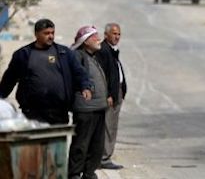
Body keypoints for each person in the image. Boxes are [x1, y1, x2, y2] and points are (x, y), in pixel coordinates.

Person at [0, 19, 92, 125]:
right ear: (36, 34)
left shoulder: (64, 53)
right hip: (33, 112)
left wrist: (85, 86)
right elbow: (9, 79)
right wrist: (1, 96)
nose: (51, 36)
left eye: (52, 33)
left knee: (58, 136)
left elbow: (79, 72)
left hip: (59, 111)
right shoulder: (23, 55)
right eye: (46, 33)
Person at [69, 26, 109, 179]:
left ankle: (89, 173)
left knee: (96, 145)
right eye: (94, 37)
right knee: (81, 143)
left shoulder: (93, 56)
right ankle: (74, 174)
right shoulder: (78, 56)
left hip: (98, 108)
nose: (98, 39)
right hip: (85, 109)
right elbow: (76, 77)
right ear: (85, 41)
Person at [96, 23, 126, 170]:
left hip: (116, 94)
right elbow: (102, 75)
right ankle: (104, 158)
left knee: (112, 126)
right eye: (114, 34)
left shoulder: (112, 50)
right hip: (110, 96)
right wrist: (108, 94)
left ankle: (105, 156)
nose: (117, 37)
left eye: (119, 34)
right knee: (108, 127)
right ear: (106, 34)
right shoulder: (103, 50)